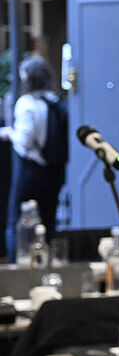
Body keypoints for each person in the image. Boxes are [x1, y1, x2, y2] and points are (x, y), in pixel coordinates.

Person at [3, 56, 66, 261]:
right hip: (55, 169)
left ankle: (16, 266)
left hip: (31, 169)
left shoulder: (27, 103)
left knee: (16, 221)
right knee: (48, 220)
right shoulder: (55, 100)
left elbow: (24, 140)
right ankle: (45, 264)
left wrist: (9, 133)